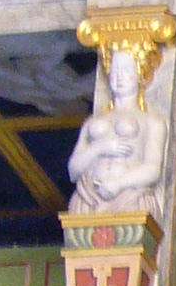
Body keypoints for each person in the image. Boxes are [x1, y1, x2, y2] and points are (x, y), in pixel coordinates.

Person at [68, 46, 167, 212]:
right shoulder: (92, 121)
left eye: (126, 70)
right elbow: (73, 170)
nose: (119, 76)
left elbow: (152, 168)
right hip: (89, 197)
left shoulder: (152, 121)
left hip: (129, 198)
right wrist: (100, 148)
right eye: (115, 70)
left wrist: (119, 183)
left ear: (140, 73)